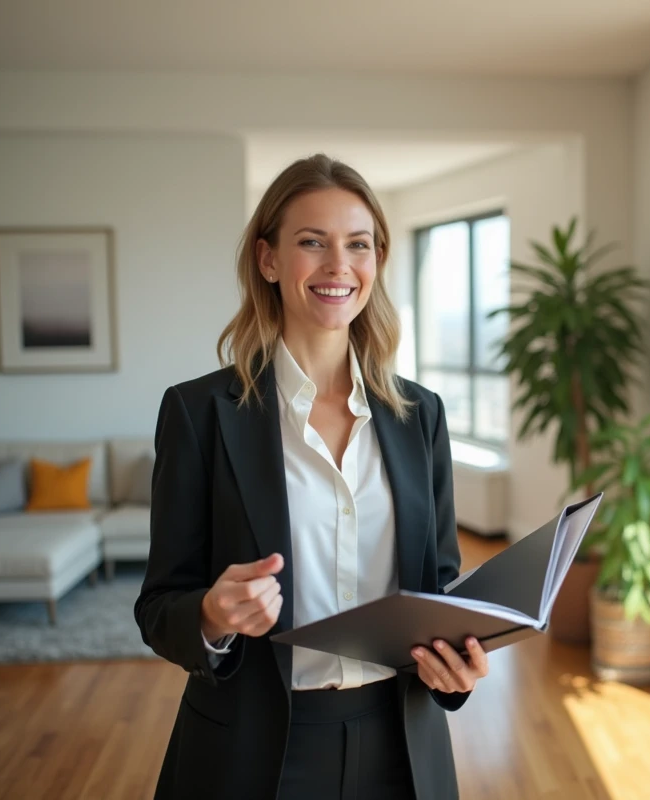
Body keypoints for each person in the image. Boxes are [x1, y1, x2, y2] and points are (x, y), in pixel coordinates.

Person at [135, 153, 489, 800]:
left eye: (358, 244)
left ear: (377, 260)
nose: (337, 266)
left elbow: (437, 588)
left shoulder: (421, 417)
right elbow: (160, 607)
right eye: (311, 243)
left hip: (403, 746)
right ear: (269, 260)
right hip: (252, 750)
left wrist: (456, 666)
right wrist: (213, 615)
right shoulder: (198, 414)